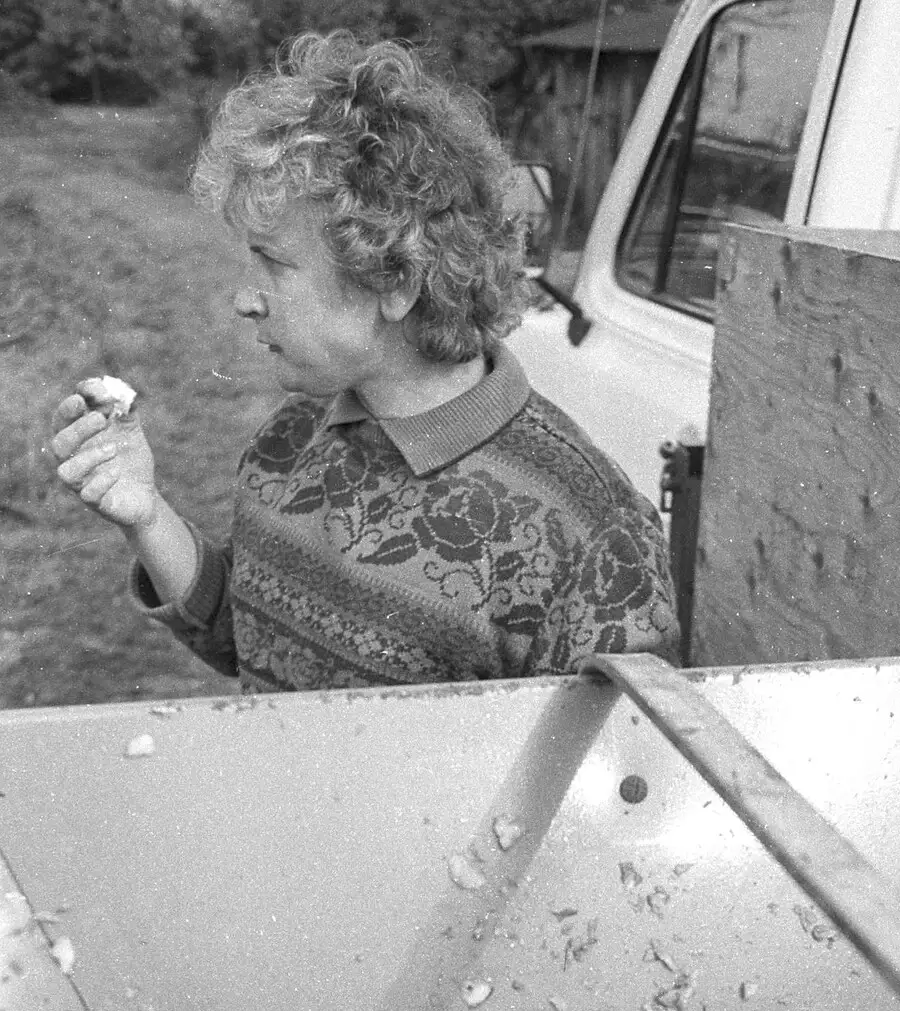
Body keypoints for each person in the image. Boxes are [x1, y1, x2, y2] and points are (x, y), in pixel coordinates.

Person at [49, 32, 680, 692]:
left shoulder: (592, 537)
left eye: (274, 262)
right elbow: (252, 639)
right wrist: (147, 515)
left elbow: (629, 781)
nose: (244, 299)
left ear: (393, 282)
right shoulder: (289, 443)